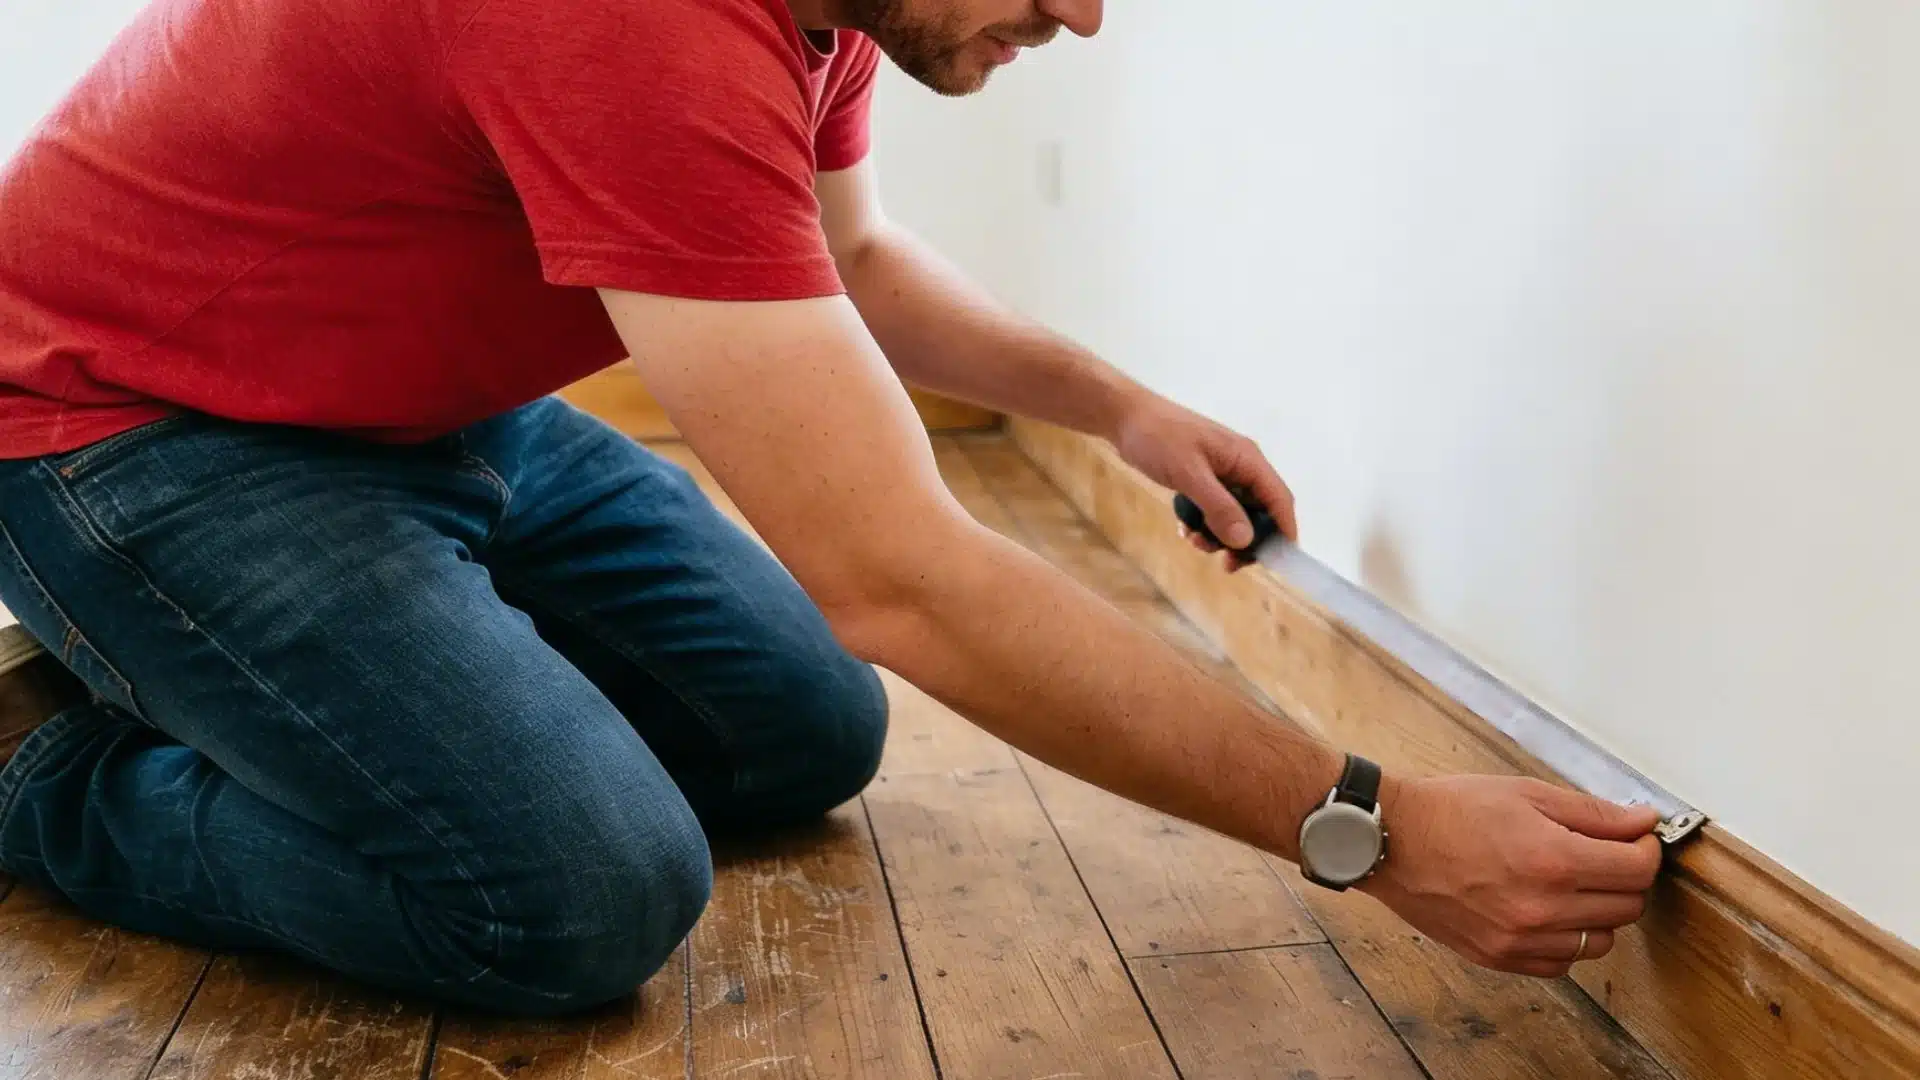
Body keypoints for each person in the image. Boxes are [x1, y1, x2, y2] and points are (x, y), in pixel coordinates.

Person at [0, 0, 1662, 1017]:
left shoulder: (824, 10)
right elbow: (901, 578)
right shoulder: (622, 20)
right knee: (574, 897)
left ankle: (286, 671)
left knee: (804, 735)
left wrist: (1121, 407)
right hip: (133, 424)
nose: (1081, 14)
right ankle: (51, 772)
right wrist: (1367, 826)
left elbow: (852, 255)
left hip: (426, 410)